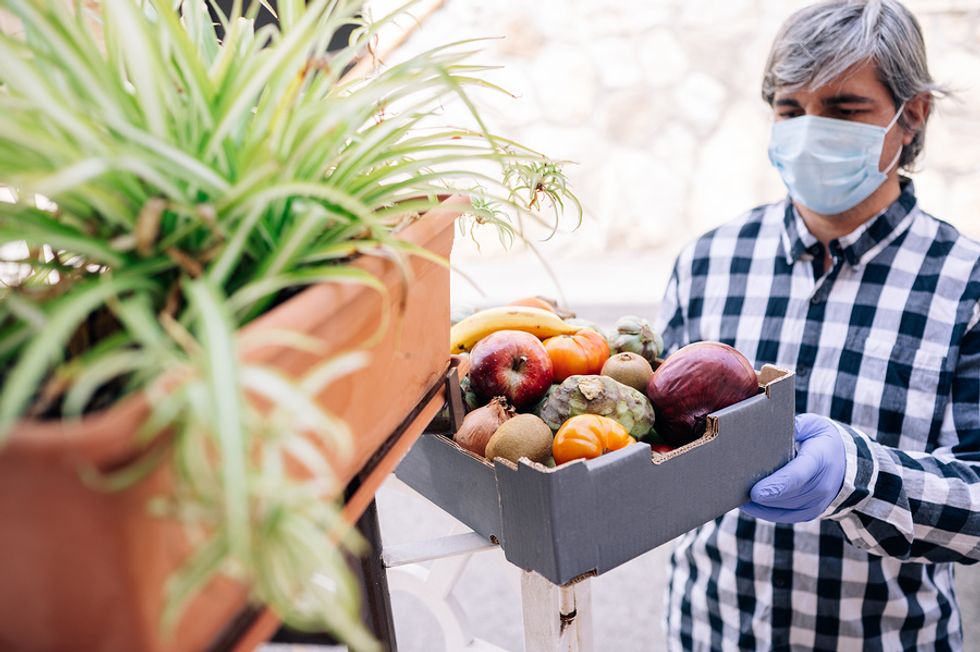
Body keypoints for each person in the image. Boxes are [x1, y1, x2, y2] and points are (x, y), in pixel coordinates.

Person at [654, 0, 980, 649]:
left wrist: (858, 476)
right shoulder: (709, 262)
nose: (809, 130)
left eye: (842, 108)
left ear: (910, 115)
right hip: (707, 632)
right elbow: (654, 443)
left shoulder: (964, 286)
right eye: (789, 109)